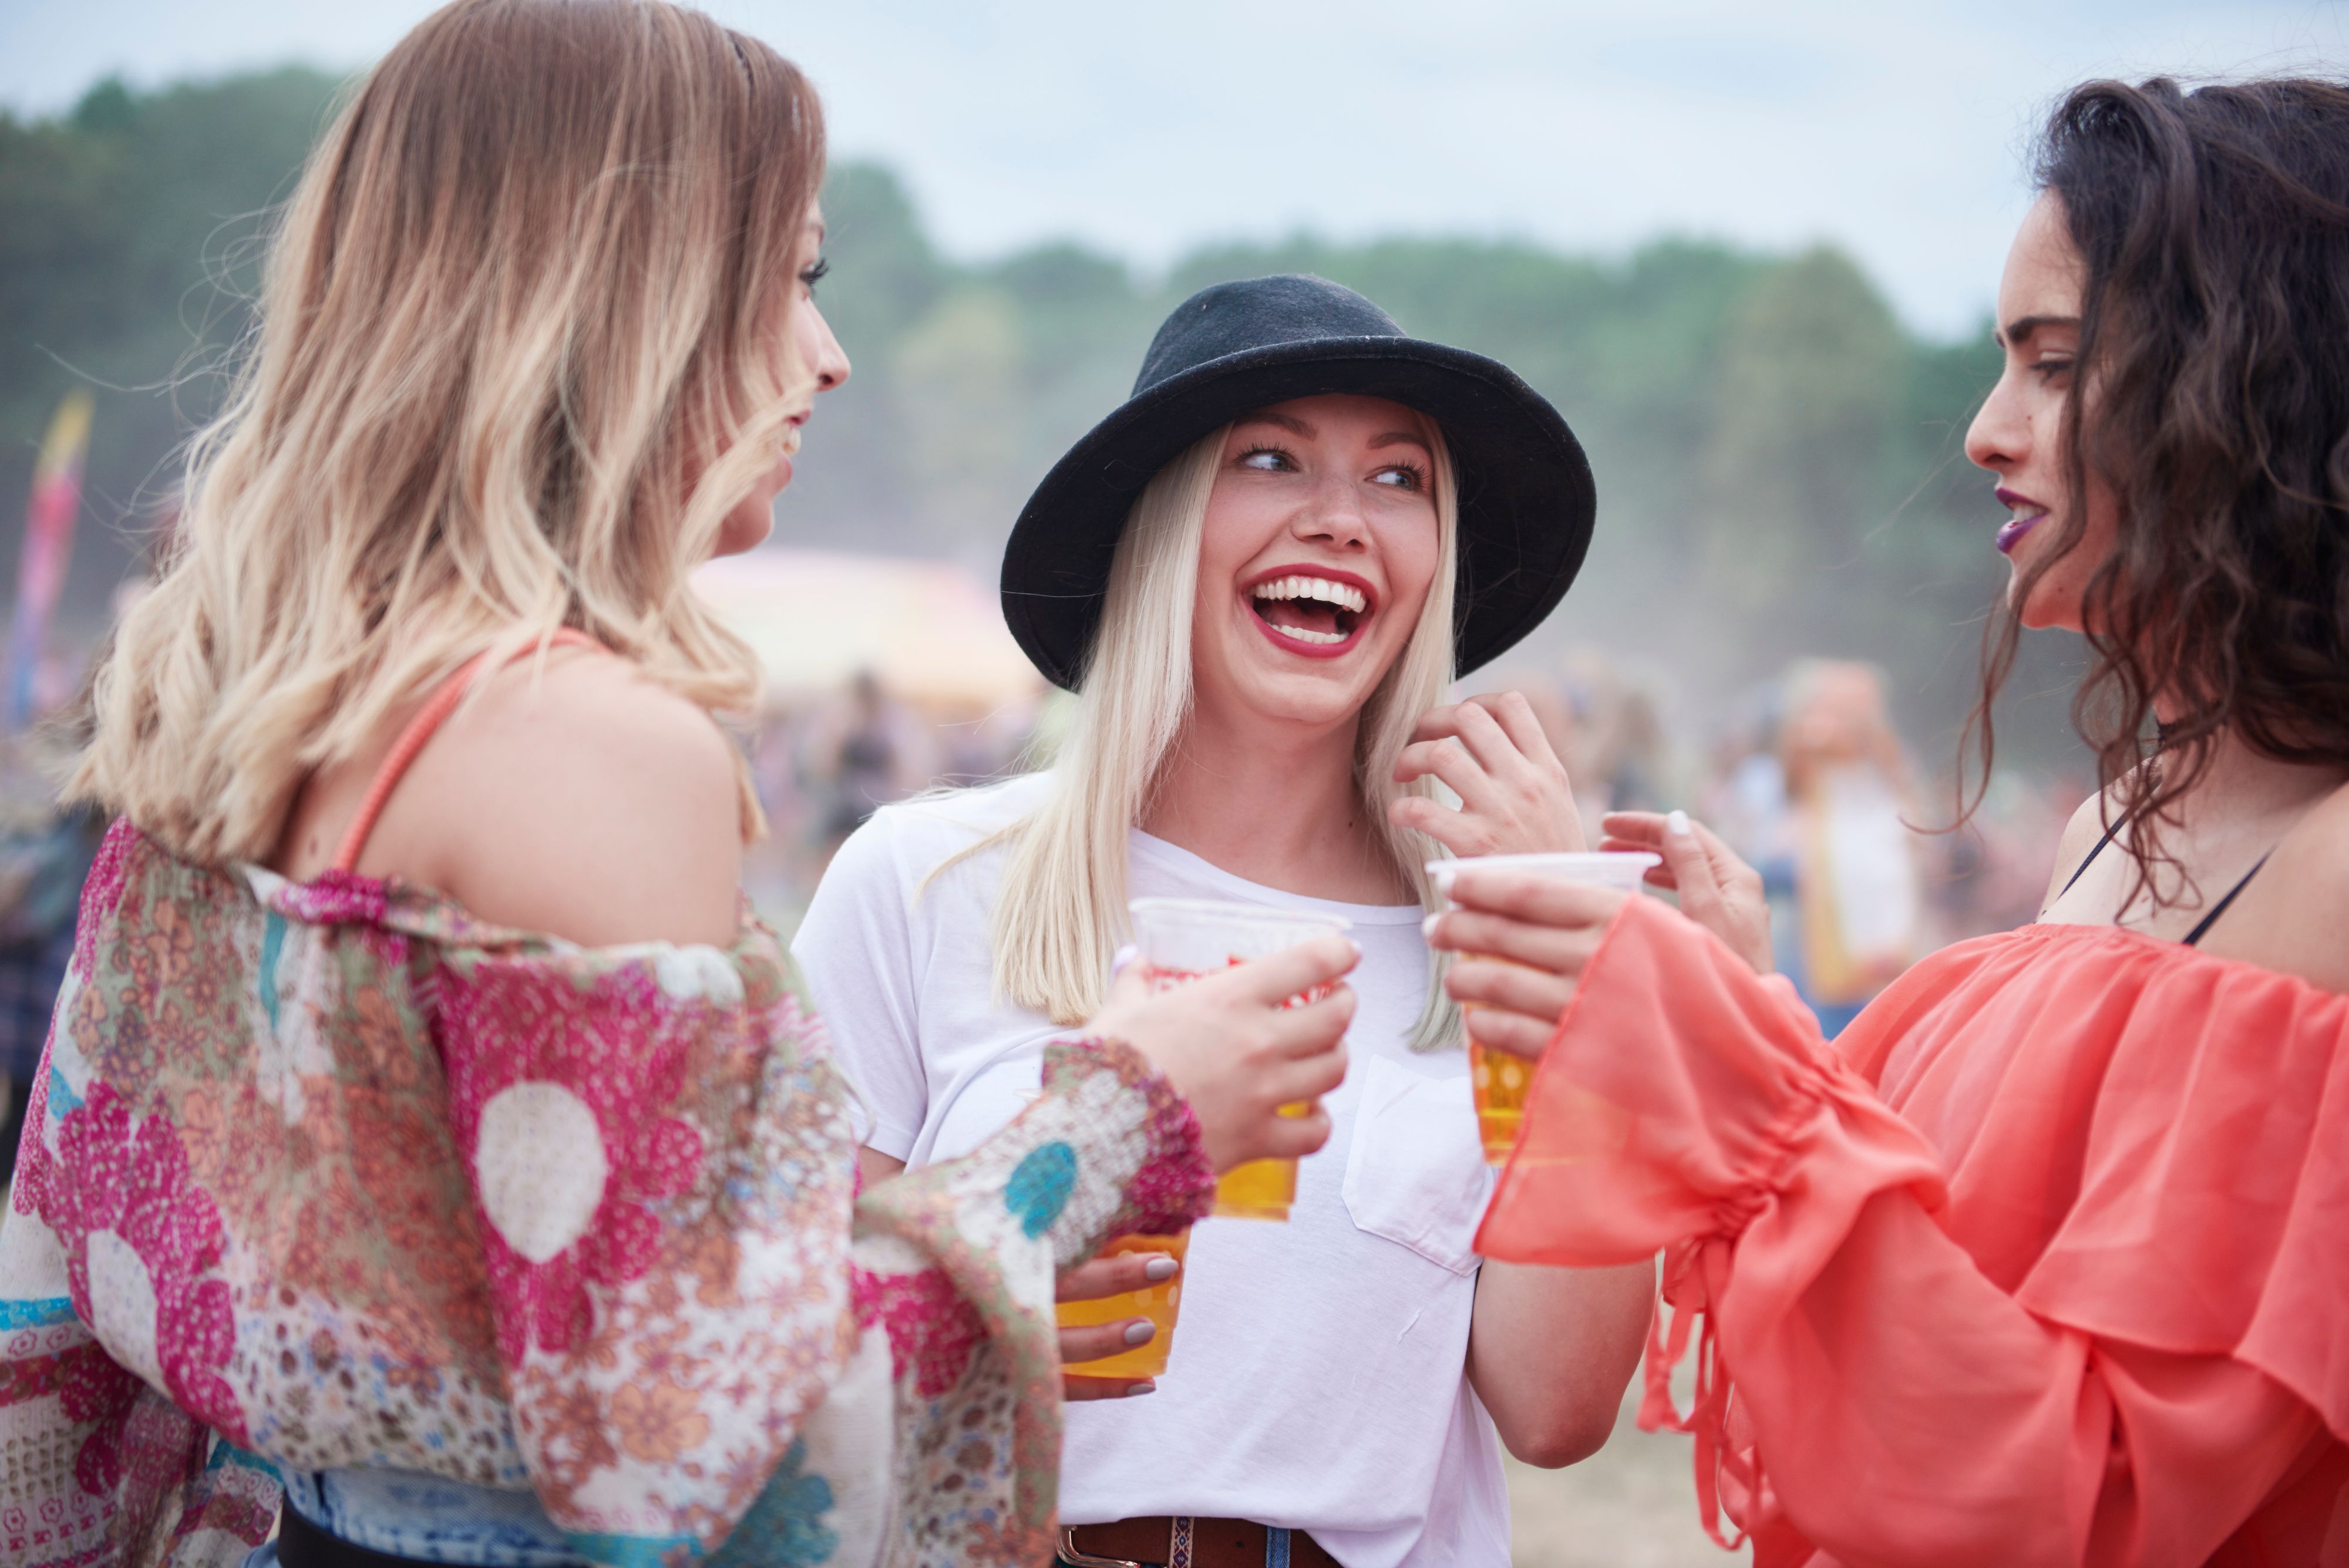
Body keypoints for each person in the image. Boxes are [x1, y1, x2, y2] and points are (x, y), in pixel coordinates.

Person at [0, 5, 1356, 1567]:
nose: (828, 357)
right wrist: (1120, 1124)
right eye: (797, 277)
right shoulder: (591, 741)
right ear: (624, 288)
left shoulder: (233, 697)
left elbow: (112, 1295)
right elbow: (690, 1435)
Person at [1429, 77, 2349, 1564]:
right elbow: (1946, 1290)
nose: (1984, 432)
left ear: (2263, 390)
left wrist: (1706, 1058)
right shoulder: (2113, 823)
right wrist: (1731, 997)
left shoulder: (2331, 869)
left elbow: (2077, 1494)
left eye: (2051, 367)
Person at [794, 274, 1654, 1568]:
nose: (1340, 519)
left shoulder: (1486, 936)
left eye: (1398, 479)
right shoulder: (924, 878)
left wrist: (1567, 947)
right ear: (1162, 522)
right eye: (1270, 459)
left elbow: (1556, 1409)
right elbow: (780, 1334)